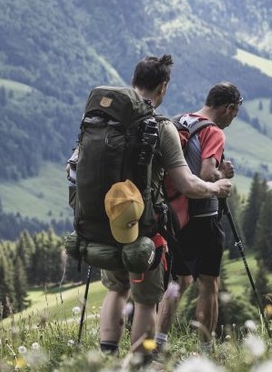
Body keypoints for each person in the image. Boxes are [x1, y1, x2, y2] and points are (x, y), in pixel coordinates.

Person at [81, 55, 234, 356]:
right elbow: (188, 183)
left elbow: (73, 168)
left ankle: (107, 355)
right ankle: (140, 366)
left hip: (105, 220)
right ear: (162, 87)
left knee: (116, 289)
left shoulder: (101, 120)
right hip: (142, 226)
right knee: (146, 299)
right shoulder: (161, 128)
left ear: (134, 81)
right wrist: (216, 187)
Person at [156, 82, 242, 349]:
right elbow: (206, 175)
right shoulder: (213, 131)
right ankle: (205, 348)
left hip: (172, 213)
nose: (232, 119)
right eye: (235, 113)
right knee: (209, 284)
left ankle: (158, 343)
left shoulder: (179, 120)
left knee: (178, 281)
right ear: (228, 108)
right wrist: (222, 175)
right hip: (202, 216)